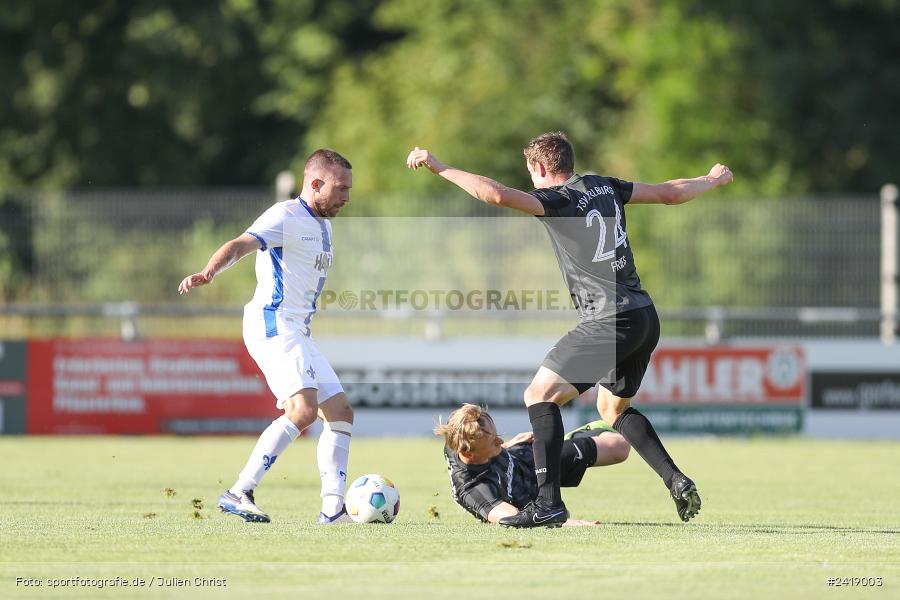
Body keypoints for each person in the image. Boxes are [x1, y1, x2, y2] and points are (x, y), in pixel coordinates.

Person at [407, 133, 733, 527]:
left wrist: (441, 167)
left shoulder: (556, 200)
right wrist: (711, 180)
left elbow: (494, 195)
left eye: (531, 173)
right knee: (612, 408)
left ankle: (549, 504)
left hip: (609, 318)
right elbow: (669, 194)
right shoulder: (605, 186)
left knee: (538, 395)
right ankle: (675, 478)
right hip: (644, 315)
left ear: (541, 168)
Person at [179, 149, 355, 524]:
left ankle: (333, 510)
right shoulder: (285, 215)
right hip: (273, 324)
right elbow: (242, 244)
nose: (346, 197)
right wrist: (210, 272)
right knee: (302, 410)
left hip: (299, 331)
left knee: (339, 413)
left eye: (348, 190)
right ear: (316, 183)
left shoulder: (324, 222)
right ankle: (239, 490)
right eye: (340, 189)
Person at [436, 403, 630, 526]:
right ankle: (557, 445)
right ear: (468, 453)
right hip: (527, 496)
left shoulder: (457, 435)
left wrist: (511, 444)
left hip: (524, 457)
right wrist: (563, 522)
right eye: (495, 441)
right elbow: (512, 520)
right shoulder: (474, 490)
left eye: (499, 436)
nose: (501, 442)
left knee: (620, 447)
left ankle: (565, 441)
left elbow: (485, 442)